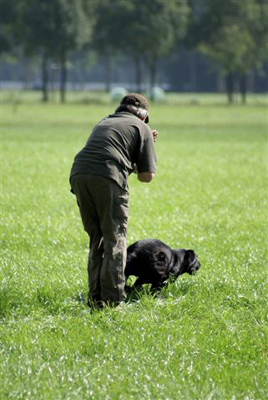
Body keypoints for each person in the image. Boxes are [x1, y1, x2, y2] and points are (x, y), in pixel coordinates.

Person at [69, 93, 157, 308]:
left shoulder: (105, 121)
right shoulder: (141, 127)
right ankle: (113, 302)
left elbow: (113, 150)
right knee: (115, 240)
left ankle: (95, 298)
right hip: (107, 177)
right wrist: (146, 145)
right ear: (144, 115)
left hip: (79, 174)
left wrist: (135, 151)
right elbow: (146, 177)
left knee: (97, 239)